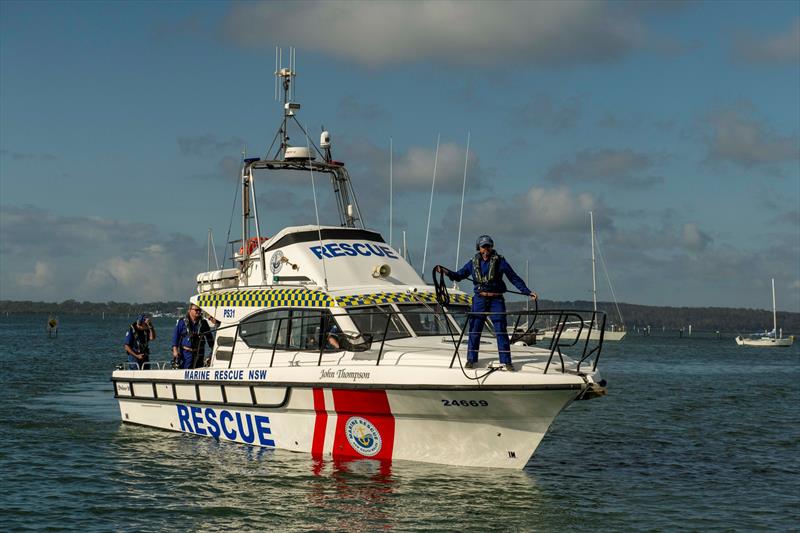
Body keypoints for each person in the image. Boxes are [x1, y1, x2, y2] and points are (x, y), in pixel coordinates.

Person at [436, 235, 537, 371]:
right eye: (484, 247)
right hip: (479, 299)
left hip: (496, 299)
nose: (486, 249)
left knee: (501, 330)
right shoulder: (473, 263)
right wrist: (445, 271)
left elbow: (514, 278)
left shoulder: (500, 262)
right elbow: (459, 275)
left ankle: (506, 361)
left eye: (488, 246)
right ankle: (471, 360)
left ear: (492, 247)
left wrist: (527, 291)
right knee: (474, 329)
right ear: (479, 248)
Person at [172, 304, 214, 369]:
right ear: (190, 310)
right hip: (186, 354)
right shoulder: (182, 322)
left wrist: (212, 351)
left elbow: (209, 338)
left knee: (199, 370)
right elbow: (176, 336)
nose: (199, 312)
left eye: (200, 310)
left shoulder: (204, 323)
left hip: (199, 353)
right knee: (185, 370)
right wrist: (175, 350)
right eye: (196, 310)